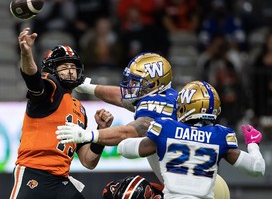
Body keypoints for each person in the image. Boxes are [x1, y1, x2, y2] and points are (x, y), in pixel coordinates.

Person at [56, 52, 231, 198]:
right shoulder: (168, 96)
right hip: (207, 183)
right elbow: (121, 97)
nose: (130, 86)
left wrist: (89, 136)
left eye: (136, 81)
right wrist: (88, 87)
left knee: (125, 193)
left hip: (197, 190)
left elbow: (131, 131)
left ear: (154, 85)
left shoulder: (154, 109)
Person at [9, 27, 114, 199]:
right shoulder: (51, 88)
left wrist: (100, 132)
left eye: (73, 66)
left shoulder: (80, 108)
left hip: (61, 180)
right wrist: (27, 54)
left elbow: (88, 161)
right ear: (52, 70)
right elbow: (33, 81)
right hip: (34, 173)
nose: (71, 70)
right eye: (64, 67)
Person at [117, 80, 265, 198]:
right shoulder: (220, 135)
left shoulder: (166, 128)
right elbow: (257, 168)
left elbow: (124, 149)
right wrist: (253, 144)